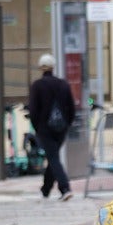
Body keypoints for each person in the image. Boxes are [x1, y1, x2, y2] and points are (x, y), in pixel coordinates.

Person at [27, 54, 76, 200]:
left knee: (53, 157)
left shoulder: (37, 86)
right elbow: (71, 108)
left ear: (41, 67)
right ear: (53, 67)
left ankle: (65, 188)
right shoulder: (63, 84)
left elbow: (33, 110)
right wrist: (66, 125)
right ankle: (46, 190)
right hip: (61, 129)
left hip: (44, 129)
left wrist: (38, 128)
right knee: (53, 156)